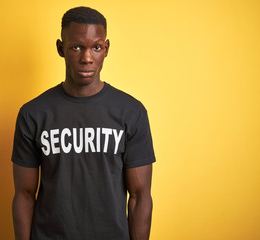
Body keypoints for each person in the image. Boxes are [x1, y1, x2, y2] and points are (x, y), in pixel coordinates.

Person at [11, 6, 156, 240]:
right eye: (76, 47)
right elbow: (24, 195)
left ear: (106, 48)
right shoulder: (33, 114)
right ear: (61, 48)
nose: (87, 58)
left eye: (96, 47)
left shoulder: (131, 112)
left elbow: (140, 196)